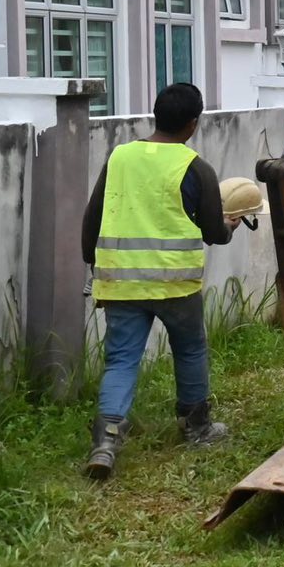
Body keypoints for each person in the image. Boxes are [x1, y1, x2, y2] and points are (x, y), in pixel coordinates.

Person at [80, 82, 242, 480]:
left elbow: (94, 216)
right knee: (189, 350)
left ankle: (107, 439)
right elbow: (211, 232)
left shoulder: (120, 157)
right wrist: (230, 226)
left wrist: (92, 262)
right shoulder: (195, 167)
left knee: (121, 358)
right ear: (193, 123)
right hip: (175, 284)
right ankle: (196, 427)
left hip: (121, 282)